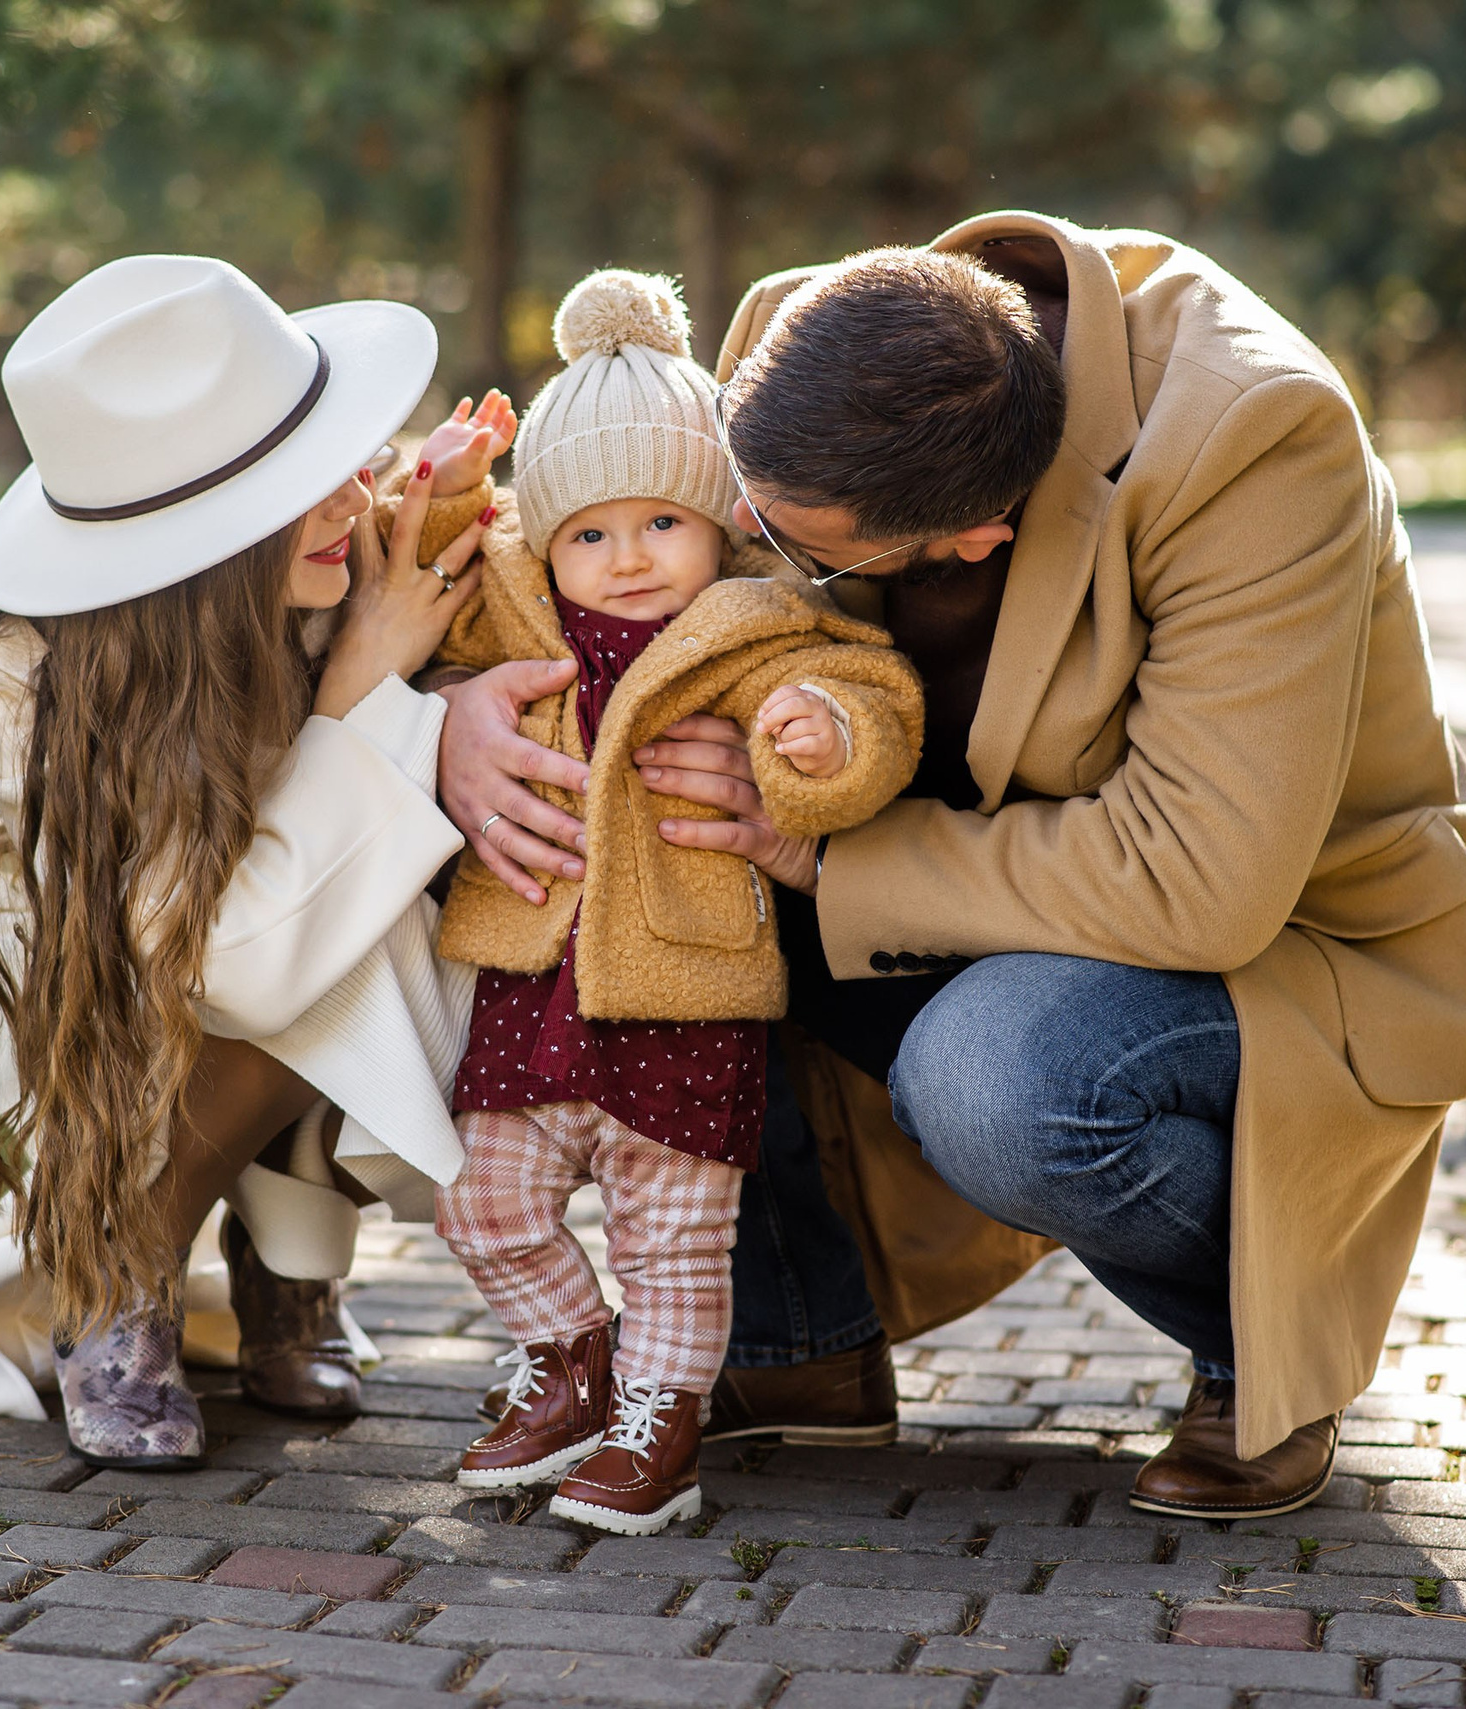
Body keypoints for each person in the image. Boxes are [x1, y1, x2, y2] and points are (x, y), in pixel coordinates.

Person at [435, 213, 1466, 1521]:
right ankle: (791, 1343)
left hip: (1270, 940)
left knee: (999, 1081)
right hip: (928, 843)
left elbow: (1202, 877)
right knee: (663, 845)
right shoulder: (791, 335)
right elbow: (592, 529)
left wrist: (820, 852)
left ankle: (1263, 1343)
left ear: (978, 536)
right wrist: (467, 711)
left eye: (798, 546)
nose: (749, 545)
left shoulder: (1256, 434)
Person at [0, 253, 507, 1465]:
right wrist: (366, 690)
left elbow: (535, 601)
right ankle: (110, 1262)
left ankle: (290, 1257)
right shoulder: (21, 675)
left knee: (380, 870)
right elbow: (227, 959)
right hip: (111, 1027)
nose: (350, 494)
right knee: (334, 877)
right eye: (298, 483)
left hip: (256, 970)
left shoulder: (331, 566)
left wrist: (461, 673)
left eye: (334, 454)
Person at [410, 271, 922, 1535]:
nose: (627, 558)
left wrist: (823, 734)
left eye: (660, 523)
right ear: (546, 535)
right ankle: (573, 1357)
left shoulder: (756, 625)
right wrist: (446, 492)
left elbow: (878, 699)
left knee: (673, 1244)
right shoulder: (513, 609)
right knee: (478, 1202)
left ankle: (658, 1424)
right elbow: (416, 595)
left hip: (685, 997)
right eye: (589, 531)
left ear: (718, 520)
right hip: (532, 989)